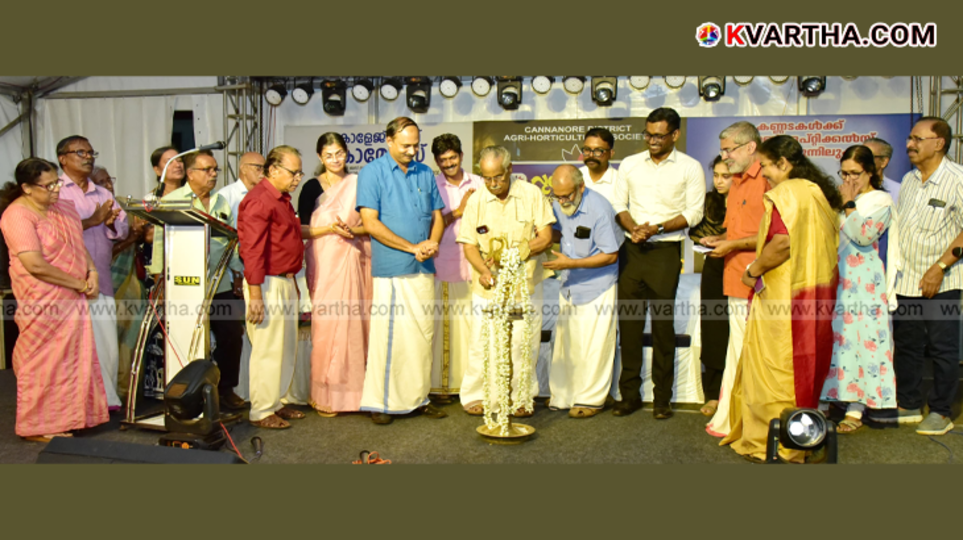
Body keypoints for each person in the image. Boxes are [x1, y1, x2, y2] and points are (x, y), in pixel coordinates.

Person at [721, 135, 842, 463]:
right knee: (804, 365)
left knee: (777, 369)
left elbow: (782, 243)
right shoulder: (815, 192)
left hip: (783, 298)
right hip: (813, 296)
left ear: (783, 164)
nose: (764, 174)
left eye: (767, 166)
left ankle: (773, 441)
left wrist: (753, 269)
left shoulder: (787, 193)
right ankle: (803, 436)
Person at [0, 158, 109, 442]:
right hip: (42, 299)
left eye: (56, 183)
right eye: (47, 186)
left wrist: (92, 271)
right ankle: (37, 425)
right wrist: (78, 283)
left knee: (74, 358)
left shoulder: (64, 207)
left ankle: (75, 417)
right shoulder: (17, 215)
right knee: (42, 361)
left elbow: (77, 244)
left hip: (74, 294)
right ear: (26, 188)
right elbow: (35, 264)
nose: (55, 190)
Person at [611, 107, 705, 420]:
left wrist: (659, 227)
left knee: (663, 327)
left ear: (674, 135)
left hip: (666, 252)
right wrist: (632, 227)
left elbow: (694, 213)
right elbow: (618, 204)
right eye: (648, 134)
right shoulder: (630, 164)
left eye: (659, 135)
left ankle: (662, 398)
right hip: (632, 251)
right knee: (630, 324)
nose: (652, 140)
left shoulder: (690, 168)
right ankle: (629, 396)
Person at [356, 117, 448, 425]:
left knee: (423, 336)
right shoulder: (372, 173)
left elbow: (438, 216)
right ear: (389, 141)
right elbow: (370, 223)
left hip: (424, 266)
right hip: (393, 269)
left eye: (416, 144)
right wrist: (412, 247)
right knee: (391, 338)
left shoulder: (425, 171)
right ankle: (381, 403)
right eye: (406, 145)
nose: (412, 150)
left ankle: (418, 398)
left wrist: (433, 243)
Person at [457, 146, 555, 418]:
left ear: (510, 170)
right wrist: (483, 271)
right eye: (486, 178)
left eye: (497, 177)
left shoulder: (531, 194)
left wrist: (520, 252)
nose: (492, 184)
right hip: (487, 286)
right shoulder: (476, 200)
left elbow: (546, 237)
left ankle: (521, 398)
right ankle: (477, 394)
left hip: (524, 285)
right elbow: (468, 245)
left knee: (523, 343)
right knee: (481, 342)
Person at [147, 150, 247, 411]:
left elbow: (232, 240)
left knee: (231, 335)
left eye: (215, 170)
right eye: (208, 169)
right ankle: (185, 393)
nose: (214, 174)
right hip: (184, 284)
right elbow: (160, 240)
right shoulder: (173, 200)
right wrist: (159, 276)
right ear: (190, 174)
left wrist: (238, 273)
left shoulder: (220, 202)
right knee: (187, 338)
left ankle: (225, 389)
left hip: (220, 282)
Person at [818, 145, 899, 433]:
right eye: (844, 172)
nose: (849, 178)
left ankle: (856, 408)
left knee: (862, 339)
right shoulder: (840, 198)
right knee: (837, 339)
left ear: (871, 172)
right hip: (837, 276)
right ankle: (828, 400)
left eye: (856, 173)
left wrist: (849, 204)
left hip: (864, 279)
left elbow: (863, 236)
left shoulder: (880, 200)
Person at [891, 117, 963, 435]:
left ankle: (941, 411)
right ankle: (908, 403)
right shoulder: (907, 180)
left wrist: (940, 267)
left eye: (918, 139)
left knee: (942, 349)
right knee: (907, 345)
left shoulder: (958, 179)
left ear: (939, 143)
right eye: (909, 138)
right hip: (906, 280)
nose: (910, 144)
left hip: (942, 282)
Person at [704, 121, 768, 437]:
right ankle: (732, 418)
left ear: (750, 147)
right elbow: (740, 231)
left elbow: (777, 237)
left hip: (761, 283)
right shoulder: (738, 182)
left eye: (729, 150)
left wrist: (734, 244)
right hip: (734, 280)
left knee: (753, 354)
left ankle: (751, 423)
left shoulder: (769, 179)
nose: (725, 157)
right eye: (723, 150)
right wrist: (722, 240)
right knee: (737, 350)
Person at [56, 135, 128, 411]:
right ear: (63, 158)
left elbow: (121, 229)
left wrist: (110, 223)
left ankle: (106, 401)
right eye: (80, 152)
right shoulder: (57, 191)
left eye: (90, 152)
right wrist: (91, 221)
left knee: (107, 345)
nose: (88, 157)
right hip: (69, 281)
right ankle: (79, 404)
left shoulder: (103, 193)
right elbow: (54, 231)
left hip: (102, 278)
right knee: (78, 347)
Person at [238, 145, 307, 429]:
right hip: (266, 283)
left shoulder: (281, 199)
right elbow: (251, 250)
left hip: (285, 280)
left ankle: (276, 402)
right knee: (267, 348)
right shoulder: (259, 200)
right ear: (274, 170)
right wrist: (255, 294)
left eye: (300, 172)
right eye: (294, 172)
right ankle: (261, 410)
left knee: (285, 347)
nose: (298, 178)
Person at [302, 132, 371, 416]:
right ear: (319, 157)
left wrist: (351, 231)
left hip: (355, 260)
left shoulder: (358, 183)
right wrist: (330, 229)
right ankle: (326, 396)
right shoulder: (310, 187)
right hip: (324, 260)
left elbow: (371, 223)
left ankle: (357, 395)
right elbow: (302, 229)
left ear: (347, 153)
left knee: (356, 326)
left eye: (339, 153)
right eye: (328, 155)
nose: (335, 160)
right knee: (327, 327)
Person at [543, 165, 620, 417]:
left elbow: (610, 255)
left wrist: (570, 263)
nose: (562, 201)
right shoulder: (559, 203)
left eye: (567, 196)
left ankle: (590, 400)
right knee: (566, 343)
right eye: (558, 196)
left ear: (581, 187)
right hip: (569, 283)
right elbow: (557, 231)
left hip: (598, 285)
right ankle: (563, 396)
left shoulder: (599, 208)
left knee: (595, 345)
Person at [90, 167, 149, 405]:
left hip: (129, 282)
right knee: (107, 343)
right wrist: (131, 239)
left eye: (109, 179)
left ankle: (126, 392)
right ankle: (105, 394)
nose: (108, 184)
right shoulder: (89, 214)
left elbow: (145, 236)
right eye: (101, 181)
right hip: (103, 284)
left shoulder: (124, 207)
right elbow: (105, 255)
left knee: (130, 341)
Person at [430, 133, 479, 400]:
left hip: (474, 268)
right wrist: (458, 211)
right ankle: (441, 387)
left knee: (472, 330)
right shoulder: (431, 185)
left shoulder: (481, 183)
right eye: (443, 160)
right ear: (437, 162)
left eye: (452, 158)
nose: (448, 164)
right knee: (441, 330)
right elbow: (427, 227)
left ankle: (470, 389)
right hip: (442, 266)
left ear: (461, 155)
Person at [689, 156, 732, 419]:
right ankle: (714, 394)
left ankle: (737, 391)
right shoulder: (708, 201)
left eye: (725, 175)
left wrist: (728, 238)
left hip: (745, 267)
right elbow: (695, 230)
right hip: (714, 268)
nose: (719, 181)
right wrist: (712, 239)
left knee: (741, 332)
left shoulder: (751, 202)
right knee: (714, 329)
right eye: (716, 174)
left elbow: (753, 231)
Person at [863, 137, 900, 267]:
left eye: (868, 156)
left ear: (884, 162)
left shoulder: (898, 191)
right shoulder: (848, 191)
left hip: (885, 262)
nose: (862, 161)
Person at [579, 128, 619, 208]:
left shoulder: (620, 181)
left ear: (611, 153)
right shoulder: (574, 177)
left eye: (598, 150)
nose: (591, 155)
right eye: (587, 150)